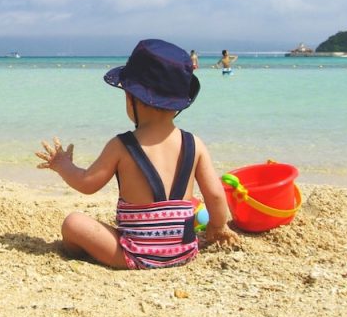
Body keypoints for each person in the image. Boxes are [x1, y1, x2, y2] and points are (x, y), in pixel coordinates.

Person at [35, 39, 238, 270]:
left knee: (73, 223)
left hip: (133, 255)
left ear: (132, 99)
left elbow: (86, 183)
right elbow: (216, 196)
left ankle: (83, 252)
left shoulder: (122, 145)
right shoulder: (195, 144)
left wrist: (62, 164)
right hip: (184, 251)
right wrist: (218, 227)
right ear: (178, 103)